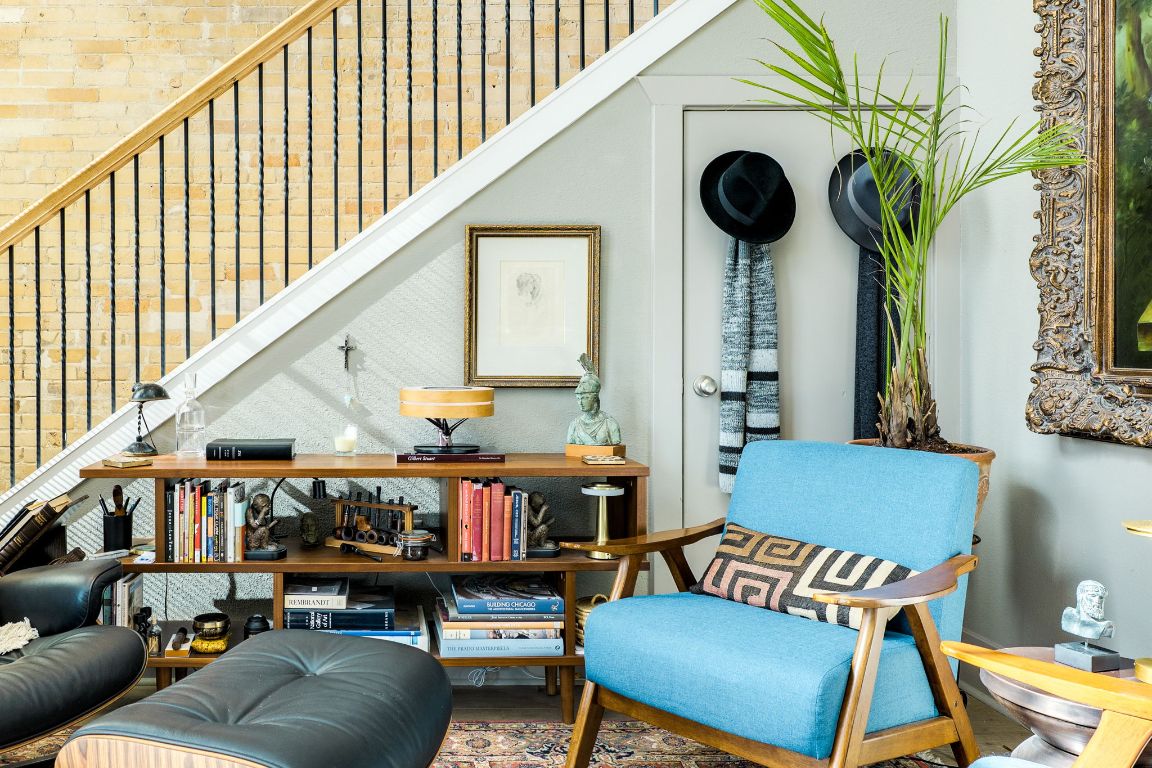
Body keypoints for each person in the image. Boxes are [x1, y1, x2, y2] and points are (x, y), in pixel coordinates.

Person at [566, 354, 622, 446]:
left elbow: (616, 441)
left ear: (595, 398)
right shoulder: (574, 425)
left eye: (585, 398)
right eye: (578, 398)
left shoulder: (610, 424)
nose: (580, 402)